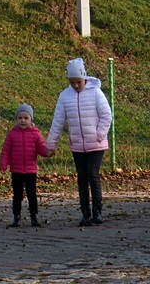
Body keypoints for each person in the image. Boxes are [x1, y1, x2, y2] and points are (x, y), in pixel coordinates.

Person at [44, 57, 112, 228]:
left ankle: (97, 211)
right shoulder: (64, 97)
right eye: (72, 82)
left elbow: (106, 115)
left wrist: (99, 134)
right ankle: (85, 213)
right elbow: (58, 121)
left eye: (78, 82)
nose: (75, 85)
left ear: (84, 78)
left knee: (93, 175)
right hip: (77, 145)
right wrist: (51, 144)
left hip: (96, 144)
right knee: (82, 178)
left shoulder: (96, 93)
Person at [0, 103, 51, 228]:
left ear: (31, 119)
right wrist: (3, 165)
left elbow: (41, 148)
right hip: (16, 170)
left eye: (26, 118)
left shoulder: (36, 134)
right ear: (16, 119)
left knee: (32, 194)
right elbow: (6, 151)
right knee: (17, 195)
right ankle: (16, 217)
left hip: (30, 170)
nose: (23, 120)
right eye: (20, 118)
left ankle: (34, 216)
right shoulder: (12, 134)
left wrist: (48, 152)